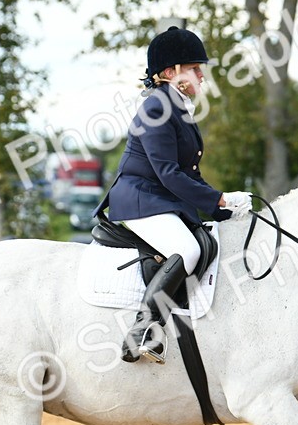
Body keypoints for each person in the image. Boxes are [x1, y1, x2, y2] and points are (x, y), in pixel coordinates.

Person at [94, 25, 253, 363]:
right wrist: (220, 199)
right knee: (187, 249)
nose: (201, 77)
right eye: (195, 70)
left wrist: (224, 210)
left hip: (161, 199)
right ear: (170, 73)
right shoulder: (156, 108)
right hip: (140, 199)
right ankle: (143, 329)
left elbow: (187, 174)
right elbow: (168, 173)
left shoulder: (175, 105)